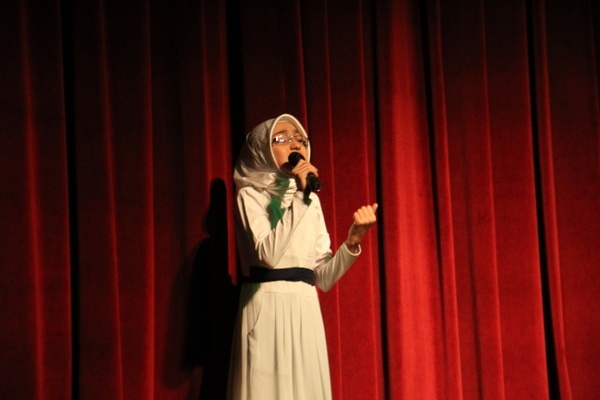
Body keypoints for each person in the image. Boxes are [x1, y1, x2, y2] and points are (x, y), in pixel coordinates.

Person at [227, 113, 378, 399]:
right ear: (262, 148)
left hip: (305, 309)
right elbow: (268, 255)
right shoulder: (250, 196)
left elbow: (323, 278)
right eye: (282, 138)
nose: (295, 144)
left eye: (300, 139)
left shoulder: (310, 200)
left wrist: (353, 241)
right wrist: (301, 195)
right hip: (266, 306)